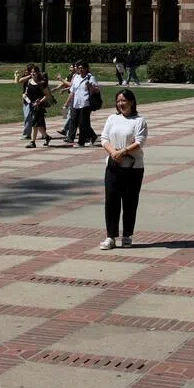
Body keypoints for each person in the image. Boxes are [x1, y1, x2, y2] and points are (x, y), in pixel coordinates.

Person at [99, 88, 148, 249]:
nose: (121, 103)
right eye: (118, 101)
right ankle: (110, 237)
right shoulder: (112, 118)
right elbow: (104, 138)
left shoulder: (139, 121)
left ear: (132, 102)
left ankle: (127, 235)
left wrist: (124, 151)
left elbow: (140, 141)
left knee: (130, 202)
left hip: (133, 168)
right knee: (111, 201)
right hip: (113, 166)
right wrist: (113, 152)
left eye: (124, 100)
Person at [61, 60, 102, 146]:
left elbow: (97, 90)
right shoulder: (76, 77)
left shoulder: (90, 78)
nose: (81, 70)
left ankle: (81, 142)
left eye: (83, 68)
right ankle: (92, 136)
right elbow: (72, 91)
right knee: (75, 120)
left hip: (86, 103)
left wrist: (90, 86)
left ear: (87, 68)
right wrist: (67, 103)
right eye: (79, 68)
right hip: (76, 103)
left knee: (82, 123)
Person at [19, 65, 52, 148]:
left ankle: (32, 142)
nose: (33, 73)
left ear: (38, 73)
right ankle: (47, 137)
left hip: (39, 107)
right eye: (32, 72)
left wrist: (39, 102)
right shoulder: (29, 81)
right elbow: (26, 93)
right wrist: (25, 96)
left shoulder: (42, 83)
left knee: (34, 124)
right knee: (38, 125)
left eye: (34, 72)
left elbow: (47, 95)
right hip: (31, 105)